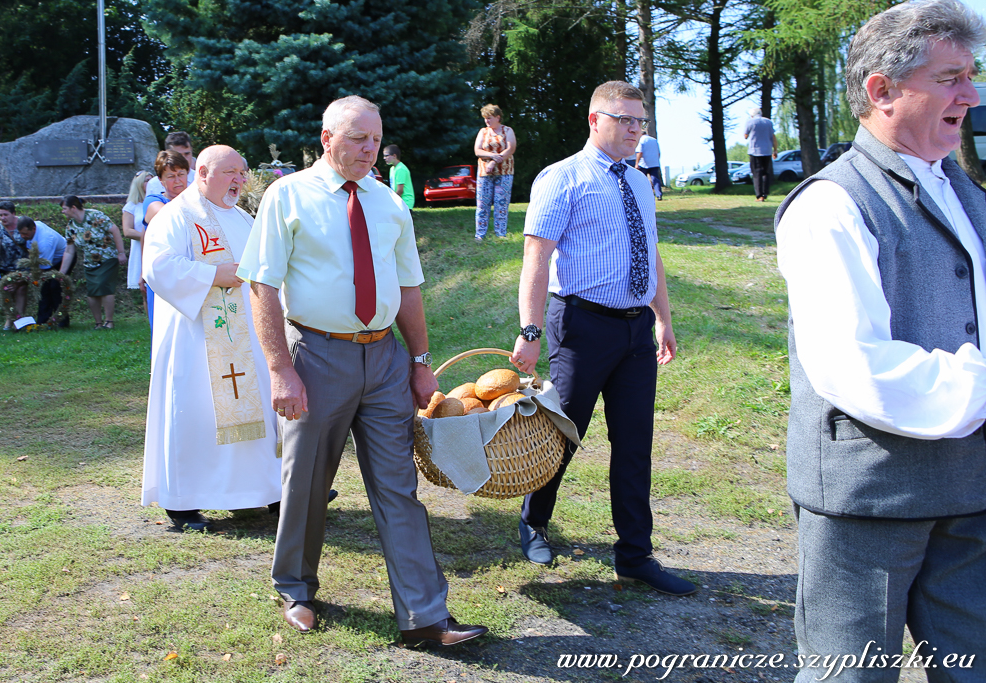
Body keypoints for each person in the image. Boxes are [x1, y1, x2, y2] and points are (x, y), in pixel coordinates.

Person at [775, 1, 986, 680]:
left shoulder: (966, 191)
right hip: (870, 502)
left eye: (973, 74)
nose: (972, 94)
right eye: (952, 76)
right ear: (882, 89)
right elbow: (852, 364)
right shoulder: (830, 203)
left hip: (970, 492)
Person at [238, 95, 487, 646]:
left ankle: (426, 618)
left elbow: (408, 288)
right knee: (305, 482)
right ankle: (296, 588)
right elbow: (261, 284)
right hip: (317, 356)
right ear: (326, 138)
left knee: (399, 488)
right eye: (356, 138)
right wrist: (281, 370)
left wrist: (419, 363)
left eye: (374, 138)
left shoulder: (388, 203)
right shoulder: (288, 195)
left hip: (384, 361)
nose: (368, 148)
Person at [509, 81, 693, 597]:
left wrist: (664, 318)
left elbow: (650, 253)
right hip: (582, 324)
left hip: (636, 330)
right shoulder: (562, 178)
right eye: (625, 120)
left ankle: (635, 554)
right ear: (595, 120)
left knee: (635, 443)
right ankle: (534, 521)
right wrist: (530, 331)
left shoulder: (638, 183)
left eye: (641, 122)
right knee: (564, 433)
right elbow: (536, 259)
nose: (635, 131)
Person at [140, 144, 283, 532]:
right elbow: (157, 266)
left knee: (255, 410)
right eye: (230, 172)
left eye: (242, 172)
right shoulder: (175, 217)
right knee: (196, 414)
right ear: (202, 173)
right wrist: (213, 275)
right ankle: (182, 504)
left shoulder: (241, 217)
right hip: (194, 342)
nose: (239, 179)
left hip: (244, 338)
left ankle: (267, 491)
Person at [59, 196, 127, 330]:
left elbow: (114, 230)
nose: (63, 212)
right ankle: (98, 323)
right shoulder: (71, 226)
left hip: (107, 258)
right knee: (92, 292)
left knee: (104, 287)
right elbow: (69, 251)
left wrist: (121, 252)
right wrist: (61, 272)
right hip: (90, 263)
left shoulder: (95, 215)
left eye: (64, 209)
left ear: (73, 208)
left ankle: (109, 321)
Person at [141, 151, 190, 327]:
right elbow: (166, 217)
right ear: (160, 180)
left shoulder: (196, 199)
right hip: (164, 273)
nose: (177, 180)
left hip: (191, 272)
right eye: (171, 176)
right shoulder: (153, 201)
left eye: (181, 174)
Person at [473, 104, 517, 242]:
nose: (487, 121)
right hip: (484, 174)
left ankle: (500, 233)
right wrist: (492, 156)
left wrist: (494, 162)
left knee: (501, 204)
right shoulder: (483, 132)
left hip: (504, 172)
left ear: (498, 117)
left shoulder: (507, 130)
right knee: (482, 204)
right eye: (485, 118)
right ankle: (480, 234)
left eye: (489, 118)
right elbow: (477, 151)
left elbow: (510, 149)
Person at [16, 216, 68, 325]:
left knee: (55, 286)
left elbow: (42, 269)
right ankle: (43, 320)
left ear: (33, 229)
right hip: (48, 260)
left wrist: (23, 280)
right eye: (21, 233)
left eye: (25, 234)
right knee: (44, 289)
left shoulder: (45, 241)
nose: (22, 236)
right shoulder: (32, 229)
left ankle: (61, 321)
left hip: (63, 258)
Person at [0, 201, 29, 330]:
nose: (3, 218)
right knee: (8, 291)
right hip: (6, 266)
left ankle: (19, 321)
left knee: (21, 290)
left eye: (5, 214)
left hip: (23, 266)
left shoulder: (23, 224)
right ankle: (8, 320)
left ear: (13, 214)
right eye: (0, 215)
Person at [121, 170, 152, 317]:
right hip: (140, 250)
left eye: (152, 179)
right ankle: (151, 323)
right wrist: (148, 236)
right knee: (145, 289)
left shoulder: (157, 201)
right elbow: (127, 231)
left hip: (157, 250)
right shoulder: (132, 206)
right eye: (146, 180)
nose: (150, 183)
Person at [145, 131, 196, 197]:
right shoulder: (154, 184)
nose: (184, 159)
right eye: (178, 155)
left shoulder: (201, 180)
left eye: (187, 154)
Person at [743, 108, 777, 201]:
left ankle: (759, 195)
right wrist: (775, 150)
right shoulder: (769, 122)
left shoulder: (750, 122)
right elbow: (773, 137)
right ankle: (765, 194)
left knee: (757, 173)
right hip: (767, 150)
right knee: (765, 173)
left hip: (755, 151)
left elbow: (745, 136)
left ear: (751, 115)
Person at [382, 144, 414, 209]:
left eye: (386, 155)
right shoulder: (392, 169)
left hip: (405, 202)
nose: (384, 158)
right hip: (398, 201)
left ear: (394, 156)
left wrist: (391, 201)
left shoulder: (400, 169)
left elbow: (400, 190)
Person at [635, 131, 663, 200]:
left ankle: (643, 194)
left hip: (644, 163)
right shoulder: (654, 140)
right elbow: (658, 153)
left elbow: (640, 152)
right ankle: (659, 194)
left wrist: (636, 163)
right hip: (654, 163)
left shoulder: (641, 140)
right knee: (655, 179)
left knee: (642, 179)